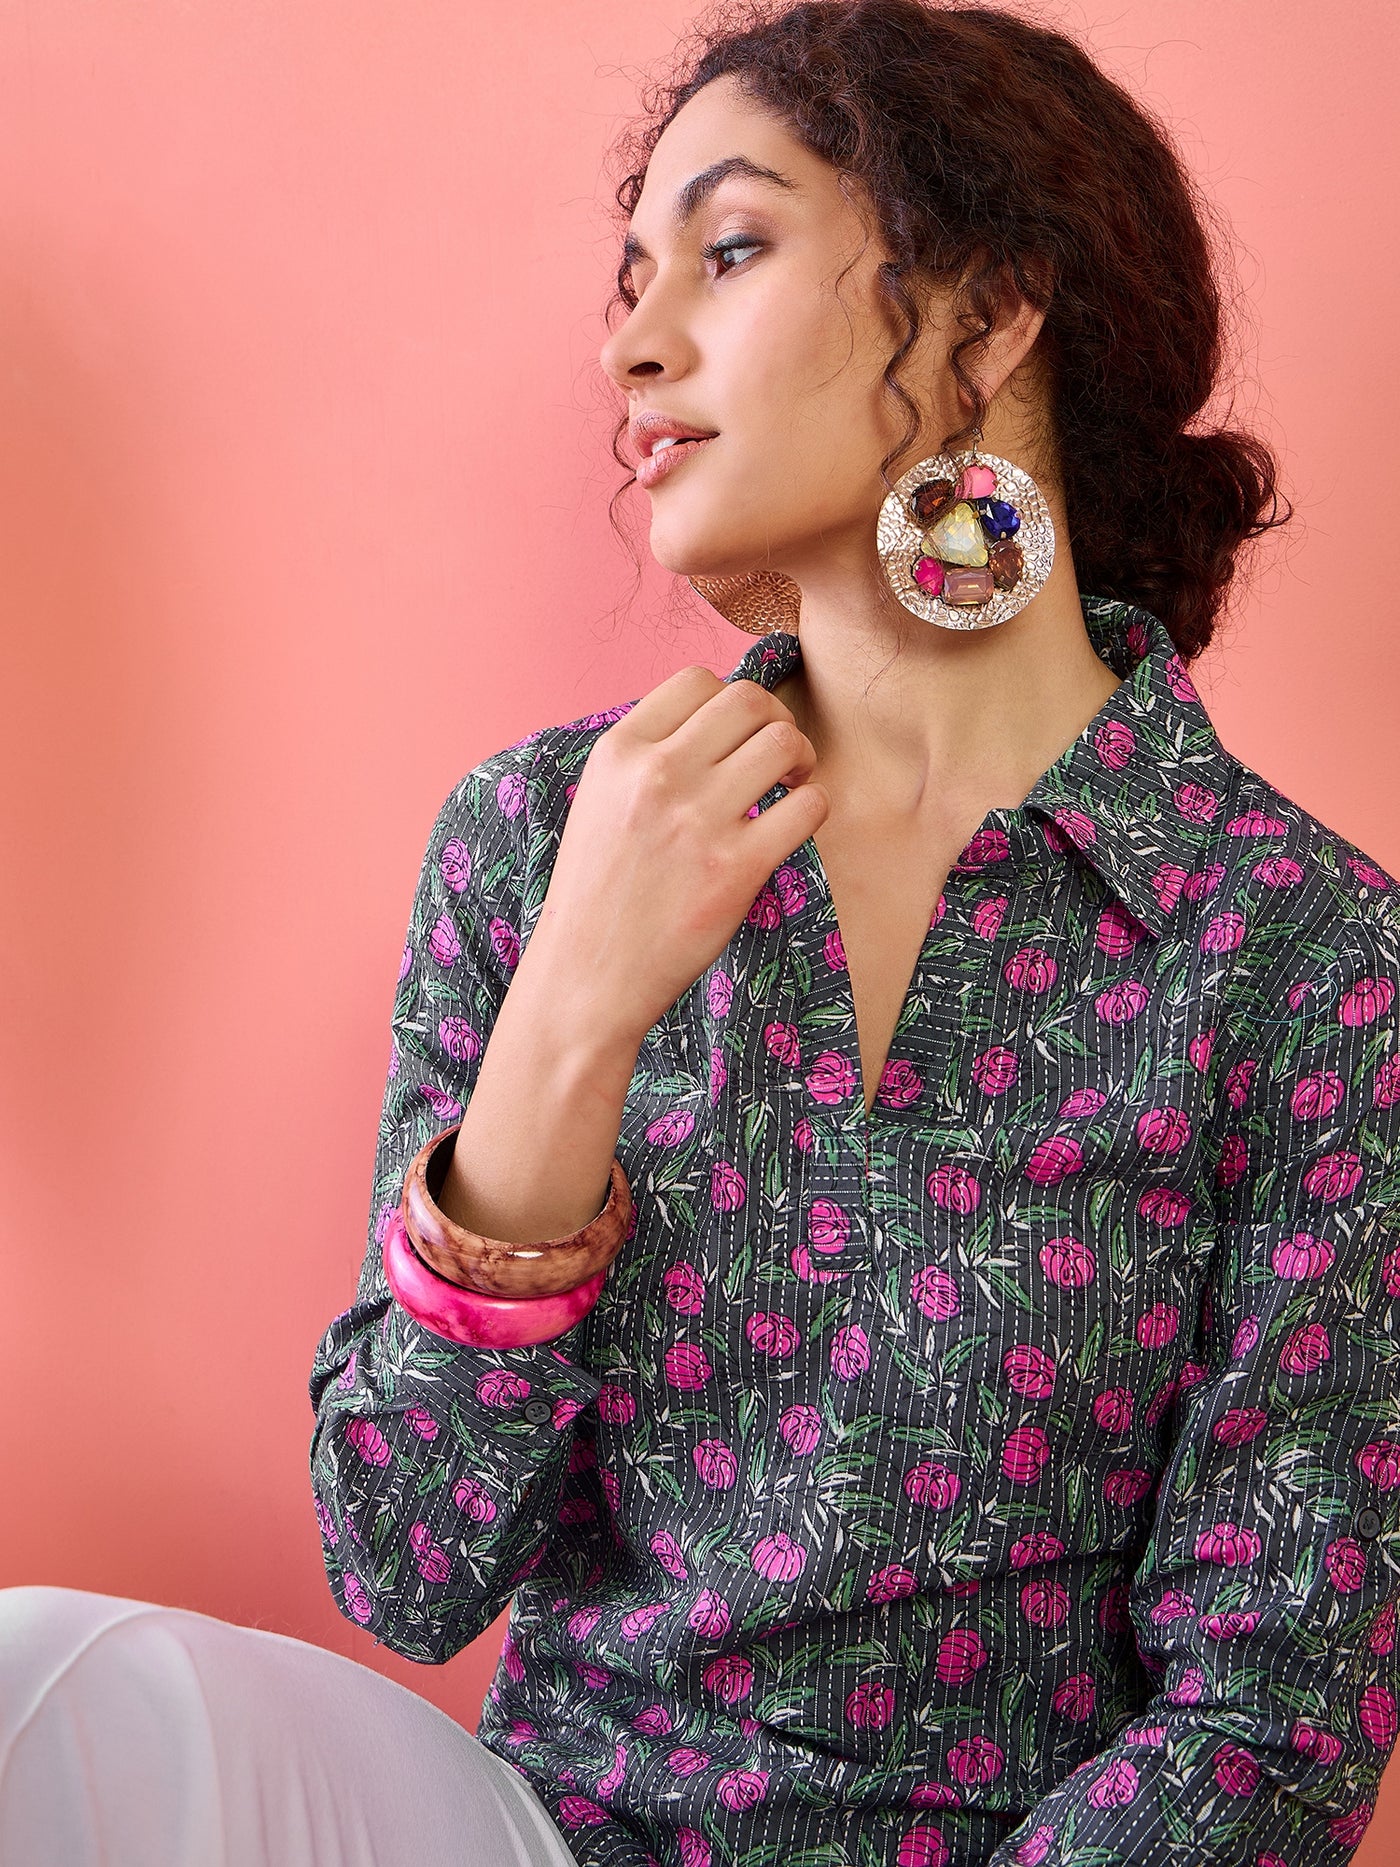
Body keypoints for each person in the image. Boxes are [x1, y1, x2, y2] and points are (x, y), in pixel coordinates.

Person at [4, 4, 1396, 1866]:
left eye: (728, 251)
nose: (630, 341)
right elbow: (405, 1566)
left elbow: (1271, 1715)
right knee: (39, 1694)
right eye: (631, 275)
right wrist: (574, 1004)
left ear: (986, 319)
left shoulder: (1304, 958)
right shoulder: (544, 837)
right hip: (533, 1832)